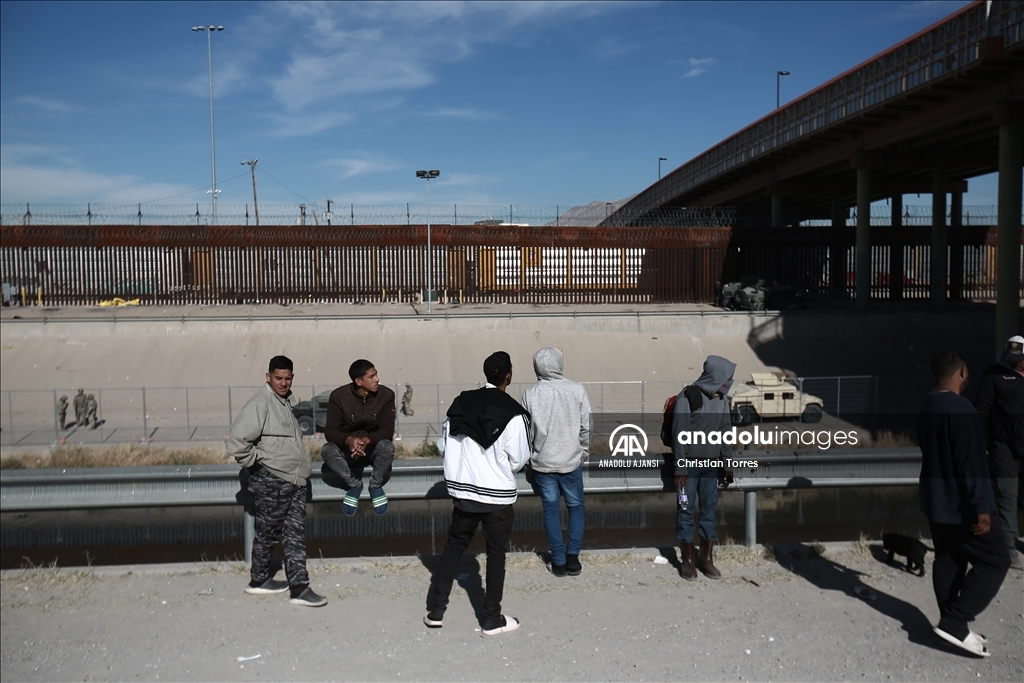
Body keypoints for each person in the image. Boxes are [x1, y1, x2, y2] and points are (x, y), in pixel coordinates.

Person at [424, 351, 529, 635]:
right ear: (509, 375)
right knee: (496, 555)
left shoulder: (461, 403)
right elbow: (519, 460)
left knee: (454, 547)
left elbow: (444, 445)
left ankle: (435, 611)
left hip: (463, 493)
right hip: (497, 497)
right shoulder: (514, 413)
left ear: (486, 374)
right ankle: (491, 620)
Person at [918, 350, 1010, 657]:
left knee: (948, 560)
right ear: (962, 372)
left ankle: (949, 625)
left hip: (935, 503)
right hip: (963, 508)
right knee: (996, 559)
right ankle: (955, 622)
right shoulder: (962, 408)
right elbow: (971, 463)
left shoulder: (928, 404)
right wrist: (983, 506)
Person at [226, 355, 327, 607]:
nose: (283, 383)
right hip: (272, 480)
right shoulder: (261, 403)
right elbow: (237, 444)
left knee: (293, 535)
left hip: (294, 482)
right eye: (278, 378)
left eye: (287, 378)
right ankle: (259, 580)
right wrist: (261, 466)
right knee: (269, 533)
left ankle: (298, 588)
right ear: (268, 377)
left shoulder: (283, 402)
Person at [521, 347, 592, 577]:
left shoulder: (530, 394)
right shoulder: (577, 390)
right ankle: (573, 559)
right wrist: (583, 453)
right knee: (576, 507)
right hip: (571, 461)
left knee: (550, 510)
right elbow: (586, 426)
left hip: (543, 463)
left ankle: (558, 562)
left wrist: (530, 457)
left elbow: (525, 432)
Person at [671, 355, 735, 580]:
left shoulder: (723, 400)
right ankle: (687, 560)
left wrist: (727, 462)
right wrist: (680, 468)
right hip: (687, 470)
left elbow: (726, 431)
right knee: (685, 510)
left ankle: (706, 559)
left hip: (710, 467)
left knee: (709, 512)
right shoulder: (688, 396)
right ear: (716, 376)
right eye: (727, 378)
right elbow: (678, 434)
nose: (729, 383)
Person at [974, 335, 1024, 571]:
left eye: (1019, 360)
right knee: (1007, 494)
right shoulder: (993, 375)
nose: (1015, 363)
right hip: (1003, 445)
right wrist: (983, 442)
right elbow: (982, 410)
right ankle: (1009, 546)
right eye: (1011, 358)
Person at [322, 360, 396, 516]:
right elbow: (330, 431)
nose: (377, 379)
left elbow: (387, 430)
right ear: (358, 381)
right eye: (372, 376)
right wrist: (348, 440)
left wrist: (367, 440)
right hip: (349, 450)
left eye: (376, 375)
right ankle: (354, 485)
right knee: (327, 450)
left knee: (387, 447)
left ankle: (375, 486)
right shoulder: (339, 397)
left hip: (372, 448)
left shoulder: (386, 395)